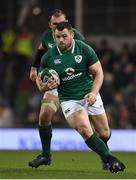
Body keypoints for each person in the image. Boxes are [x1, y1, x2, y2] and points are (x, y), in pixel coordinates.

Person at [36, 22, 126, 173]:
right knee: (85, 130)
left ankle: (104, 152)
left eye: (64, 36)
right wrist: (43, 87)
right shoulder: (48, 57)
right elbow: (40, 81)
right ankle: (110, 159)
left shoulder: (84, 49)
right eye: (57, 37)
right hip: (69, 99)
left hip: (89, 93)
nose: (61, 40)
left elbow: (99, 73)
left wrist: (94, 92)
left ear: (72, 35)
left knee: (104, 133)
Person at [28, 9, 85, 168]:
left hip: (75, 84)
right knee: (44, 115)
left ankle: (105, 155)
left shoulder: (77, 38)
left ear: (68, 25)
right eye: (54, 24)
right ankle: (46, 156)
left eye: (61, 24)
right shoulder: (47, 36)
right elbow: (41, 49)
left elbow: (86, 60)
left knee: (93, 129)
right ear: (49, 25)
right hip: (55, 82)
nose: (58, 27)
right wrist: (34, 68)